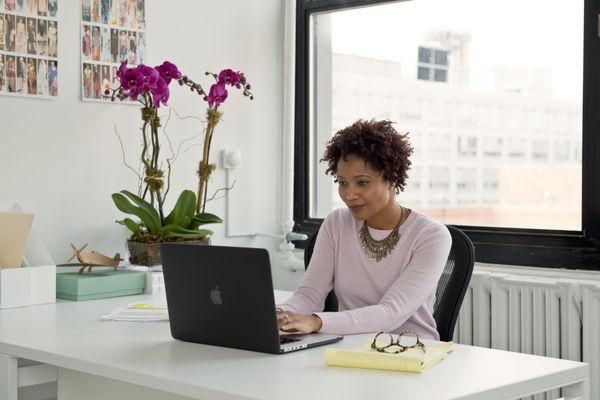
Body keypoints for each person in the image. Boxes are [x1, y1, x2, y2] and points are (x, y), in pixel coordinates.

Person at [277, 119, 451, 340]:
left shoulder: (431, 236)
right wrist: (280, 314)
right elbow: (309, 295)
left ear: (392, 179)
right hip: (348, 349)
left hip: (410, 353)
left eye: (362, 183)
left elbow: (390, 314)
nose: (349, 195)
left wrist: (316, 321)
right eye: (342, 182)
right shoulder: (336, 223)